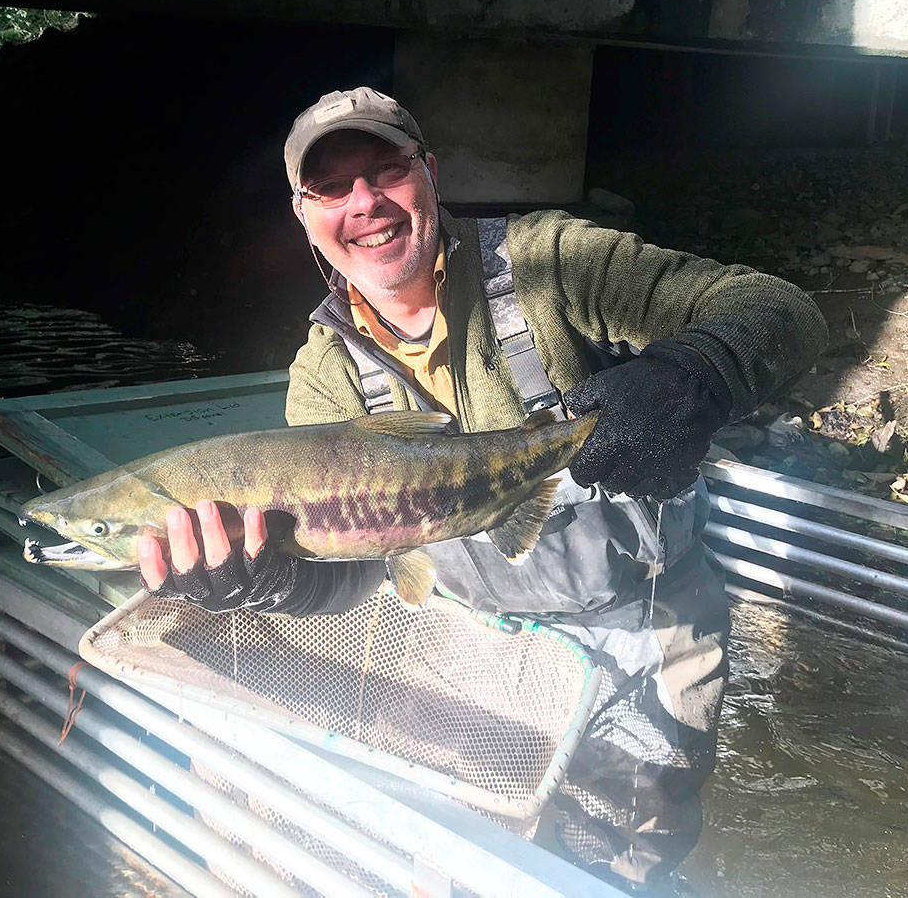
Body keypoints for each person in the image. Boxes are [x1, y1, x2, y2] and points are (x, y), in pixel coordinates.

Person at [138, 87, 828, 890]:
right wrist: (267, 580)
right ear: (304, 214)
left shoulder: (548, 263)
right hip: (468, 641)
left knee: (610, 866)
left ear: (429, 174)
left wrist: (693, 371)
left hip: (640, 628)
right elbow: (359, 577)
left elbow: (780, 308)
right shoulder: (324, 377)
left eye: (387, 169)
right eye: (330, 186)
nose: (364, 202)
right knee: (460, 859)